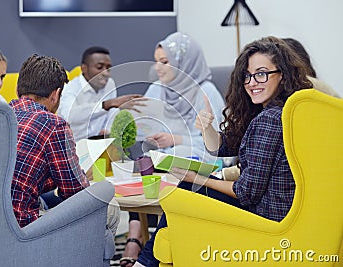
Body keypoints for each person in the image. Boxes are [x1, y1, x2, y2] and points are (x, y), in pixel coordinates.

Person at [132, 36, 313, 267]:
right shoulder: (277, 112)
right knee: (188, 190)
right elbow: (223, 147)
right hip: (275, 209)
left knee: (188, 188)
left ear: (283, 75)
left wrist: (197, 178)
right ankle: (150, 260)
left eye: (261, 73)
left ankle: (147, 261)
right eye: (247, 75)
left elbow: (246, 193)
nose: (252, 82)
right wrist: (207, 127)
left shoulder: (270, 119)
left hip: (268, 216)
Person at [120, 32, 225, 267]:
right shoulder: (159, 88)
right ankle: (140, 238)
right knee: (140, 165)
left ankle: (148, 249)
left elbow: (219, 146)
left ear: (183, 63)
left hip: (198, 162)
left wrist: (175, 139)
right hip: (164, 161)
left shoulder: (205, 91)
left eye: (165, 62)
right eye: (156, 61)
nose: (158, 68)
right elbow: (141, 123)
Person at [9, 54, 119, 235]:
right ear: (56, 95)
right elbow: (76, 192)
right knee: (111, 209)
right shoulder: (53, 124)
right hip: (25, 226)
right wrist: (81, 175)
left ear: (17, 89)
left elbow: (21, 176)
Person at [57, 46, 144, 141]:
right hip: (71, 146)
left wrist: (107, 129)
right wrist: (106, 105)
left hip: (99, 144)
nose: (105, 73)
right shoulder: (70, 89)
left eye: (108, 68)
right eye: (99, 67)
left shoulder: (109, 84)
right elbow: (70, 117)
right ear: (84, 68)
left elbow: (112, 113)